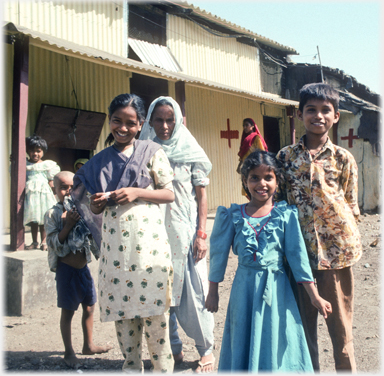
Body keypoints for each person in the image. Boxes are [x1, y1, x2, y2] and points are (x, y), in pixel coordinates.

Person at [71, 93, 175, 373]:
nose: (123, 128)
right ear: (110, 121)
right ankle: (131, 368)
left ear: (140, 124)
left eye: (130, 123)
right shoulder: (98, 162)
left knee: (156, 321)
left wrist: (136, 192)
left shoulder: (152, 152)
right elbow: (88, 203)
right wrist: (95, 204)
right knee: (125, 320)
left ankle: (162, 369)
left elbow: (169, 193)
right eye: (117, 121)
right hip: (116, 253)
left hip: (149, 250)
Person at [205, 150, 332, 372]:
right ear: (245, 181)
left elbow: (297, 257)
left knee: (276, 337)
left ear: (277, 180)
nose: (261, 183)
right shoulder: (233, 215)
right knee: (243, 336)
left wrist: (315, 296)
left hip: (276, 289)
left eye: (268, 177)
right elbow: (218, 255)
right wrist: (213, 291)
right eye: (254, 177)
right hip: (243, 290)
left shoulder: (286, 215)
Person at [276, 83, 362, 372]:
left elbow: (350, 203)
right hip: (298, 257)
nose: (318, 115)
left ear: (336, 116)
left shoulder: (343, 159)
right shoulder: (285, 158)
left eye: (326, 110)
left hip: (336, 257)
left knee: (341, 331)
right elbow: (278, 203)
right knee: (302, 329)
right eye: (311, 109)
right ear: (300, 114)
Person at [140, 96, 215, 373]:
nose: (164, 125)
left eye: (170, 119)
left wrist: (201, 234)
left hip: (185, 230)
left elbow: (201, 196)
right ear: (149, 121)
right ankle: (172, 347)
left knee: (194, 290)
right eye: (158, 119)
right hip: (154, 231)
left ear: (179, 120)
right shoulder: (143, 151)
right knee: (161, 289)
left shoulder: (190, 151)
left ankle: (205, 348)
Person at [44, 171, 111, 369]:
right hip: (66, 271)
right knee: (68, 312)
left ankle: (88, 345)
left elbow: (94, 233)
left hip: (83, 269)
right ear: (54, 189)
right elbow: (53, 243)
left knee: (90, 307)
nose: (68, 191)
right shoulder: (53, 214)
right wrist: (68, 225)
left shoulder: (83, 209)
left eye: (73, 187)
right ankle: (68, 351)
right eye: (63, 187)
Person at [24, 134, 60, 251]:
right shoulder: (25, 165)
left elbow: (51, 181)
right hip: (31, 196)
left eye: (38, 151)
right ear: (27, 151)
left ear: (43, 152)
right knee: (34, 219)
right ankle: (34, 242)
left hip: (43, 195)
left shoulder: (47, 165)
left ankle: (44, 242)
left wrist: (54, 195)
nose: (35, 154)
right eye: (32, 151)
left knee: (43, 219)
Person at [237, 118, 268, 197]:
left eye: (247, 125)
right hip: (246, 167)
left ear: (253, 126)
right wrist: (239, 165)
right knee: (246, 187)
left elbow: (262, 152)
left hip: (254, 166)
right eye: (243, 125)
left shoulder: (256, 137)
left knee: (254, 187)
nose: (245, 127)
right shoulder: (246, 139)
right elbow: (243, 154)